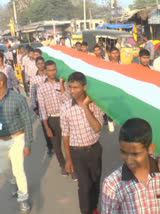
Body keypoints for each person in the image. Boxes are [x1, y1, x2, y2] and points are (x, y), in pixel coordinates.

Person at [101, 118, 160, 214]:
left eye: (135, 154)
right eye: (123, 152)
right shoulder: (112, 185)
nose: (129, 160)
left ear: (150, 148)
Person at [61, 72, 105, 214]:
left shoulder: (95, 105)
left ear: (84, 87)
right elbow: (65, 135)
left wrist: (86, 107)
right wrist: (68, 159)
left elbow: (97, 127)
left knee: (95, 183)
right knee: (84, 186)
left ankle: (93, 209)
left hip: (94, 150)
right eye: (70, 87)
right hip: (77, 153)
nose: (72, 91)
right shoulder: (65, 107)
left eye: (76, 87)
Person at [0, 72, 32, 212]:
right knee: (5, 169)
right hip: (1, 141)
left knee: (18, 170)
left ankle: (23, 198)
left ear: (1, 82)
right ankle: (13, 182)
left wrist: (28, 143)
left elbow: (27, 121)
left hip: (17, 139)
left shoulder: (17, 98)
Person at [37, 60, 71, 177]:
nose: (53, 72)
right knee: (57, 146)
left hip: (65, 117)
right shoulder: (41, 88)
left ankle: (71, 165)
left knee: (70, 143)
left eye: (54, 70)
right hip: (52, 120)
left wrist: (61, 85)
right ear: (45, 71)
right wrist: (47, 127)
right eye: (50, 70)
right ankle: (63, 166)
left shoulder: (63, 83)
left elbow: (67, 100)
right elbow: (42, 109)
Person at [29, 56, 53, 156]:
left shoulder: (49, 76)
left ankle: (56, 144)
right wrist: (35, 107)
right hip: (41, 106)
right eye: (38, 63)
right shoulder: (34, 79)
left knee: (54, 125)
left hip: (51, 104)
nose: (41, 65)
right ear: (36, 65)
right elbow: (32, 93)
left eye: (42, 63)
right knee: (45, 126)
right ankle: (50, 147)